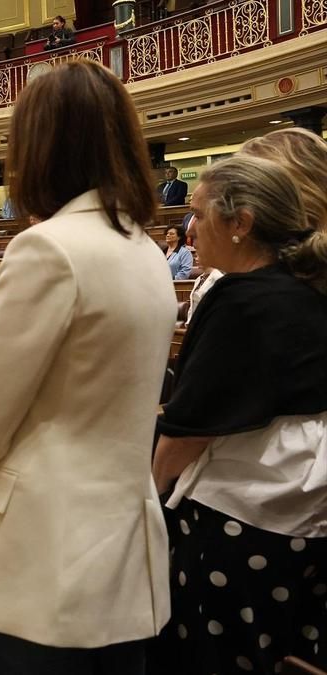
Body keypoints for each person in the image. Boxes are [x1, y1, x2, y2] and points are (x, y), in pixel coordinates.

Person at [0, 61, 176, 673]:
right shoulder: (144, 251)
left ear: (39, 149)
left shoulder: (48, 248)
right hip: (122, 550)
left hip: (42, 554)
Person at [153, 154, 327, 675]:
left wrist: (149, 493)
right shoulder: (305, 289)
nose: (190, 227)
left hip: (240, 524)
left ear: (240, 224)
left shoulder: (241, 298)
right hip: (300, 518)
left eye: (200, 214)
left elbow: (186, 433)